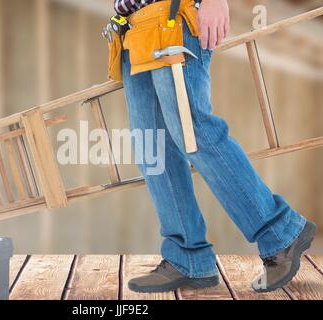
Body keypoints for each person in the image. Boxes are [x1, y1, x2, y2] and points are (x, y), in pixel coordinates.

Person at [114, 0, 317, 293]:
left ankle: (281, 233)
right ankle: (187, 257)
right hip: (134, 30)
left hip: (173, 19)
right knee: (153, 150)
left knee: (195, 132)